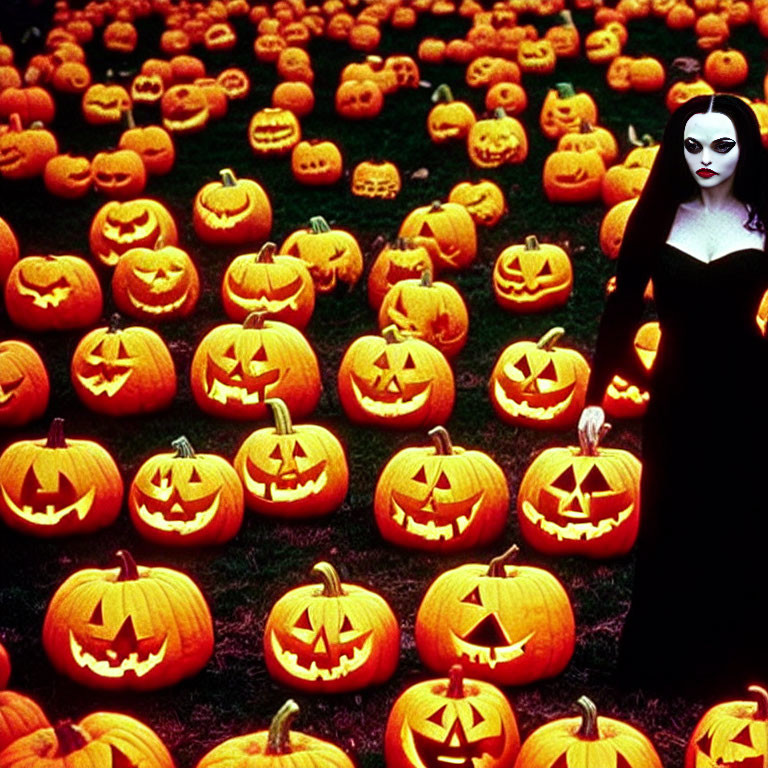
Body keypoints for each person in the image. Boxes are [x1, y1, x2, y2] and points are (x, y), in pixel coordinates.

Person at [579, 93, 768, 696]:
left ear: (745, 148)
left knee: (743, 511)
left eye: (721, 146)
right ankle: (672, 658)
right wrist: (597, 395)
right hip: (678, 387)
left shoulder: (764, 216)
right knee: (674, 512)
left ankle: (743, 654)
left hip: (749, 384)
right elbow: (622, 308)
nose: (706, 159)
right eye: (692, 146)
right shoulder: (659, 216)